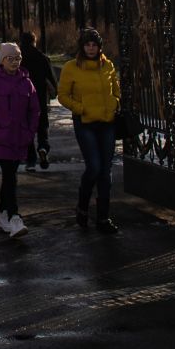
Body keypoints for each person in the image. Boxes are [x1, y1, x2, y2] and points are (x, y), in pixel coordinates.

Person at [58, 28, 122, 233]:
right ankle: (83, 206)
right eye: (87, 45)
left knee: (105, 170)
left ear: (99, 47)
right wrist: (80, 108)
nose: (91, 48)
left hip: (107, 122)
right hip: (85, 123)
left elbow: (116, 89)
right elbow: (63, 95)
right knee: (93, 166)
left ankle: (103, 217)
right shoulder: (71, 67)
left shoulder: (108, 66)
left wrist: (115, 104)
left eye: (94, 45)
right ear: (82, 46)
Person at [0, 41, 41, 236]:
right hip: (3, 138)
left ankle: (2, 212)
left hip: (21, 138)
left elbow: (35, 110)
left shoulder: (26, 82)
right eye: (10, 59)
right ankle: (14, 218)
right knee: (10, 176)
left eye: (18, 58)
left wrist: (30, 132)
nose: (15, 62)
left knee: (9, 177)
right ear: (2, 60)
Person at [18, 31, 56, 171]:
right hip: (40, 97)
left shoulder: (18, 59)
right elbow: (52, 78)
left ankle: (30, 160)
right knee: (42, 126)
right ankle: (43, 147)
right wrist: (54, 92)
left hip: (22, 99)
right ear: (35, 41)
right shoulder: (42, 57)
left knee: (27, 128)